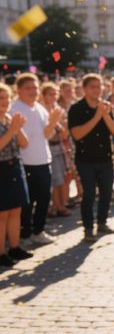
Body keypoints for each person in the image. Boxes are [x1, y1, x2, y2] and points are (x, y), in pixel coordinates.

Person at [68, 73, 114, 243]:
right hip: (85, 160)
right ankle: (88, 228)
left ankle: (102, 223)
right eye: (93, 87)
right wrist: (97, 116)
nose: (97, 90)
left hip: (105, 158)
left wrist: (105, 115)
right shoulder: (76, 108)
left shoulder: (106, 107)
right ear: (84, 89)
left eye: (99, 87)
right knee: (89, 194)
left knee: (106, 193)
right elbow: (77, 134)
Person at [11, 73, 62, 246]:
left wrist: (53, 122)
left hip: (43, 160)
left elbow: (47, 134)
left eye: (35, 87)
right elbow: (20, 142)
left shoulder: (39, 108)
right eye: (28, 88)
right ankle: (24, 235)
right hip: (25, 163)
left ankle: (38, 231)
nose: (33, 91)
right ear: (18, 90)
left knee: (43, 199)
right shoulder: (14, 109)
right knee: (26, 203)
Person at [0, 83, 31, 267]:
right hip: (1, 169)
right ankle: (1, 253)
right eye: (0, 98)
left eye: (6, 98)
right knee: (2, 213)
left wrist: (17, 128)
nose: (4, 102)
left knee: (16, 210)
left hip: (14, 166)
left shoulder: (10, 118)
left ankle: (15, 247)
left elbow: (24, 143)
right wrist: (12, 130)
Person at [40, 82, 71, 218]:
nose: (53, 97)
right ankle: (56, 206)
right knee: (54, 179)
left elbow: (65, 132)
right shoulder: (41, 109)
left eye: (55, 94)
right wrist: (56, 123)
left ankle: (59, 204)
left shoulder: (58, 109)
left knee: (61, 178)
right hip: (47, 147)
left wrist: (60, 124)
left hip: (59, 145)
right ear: (44, 95)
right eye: (50, 94)